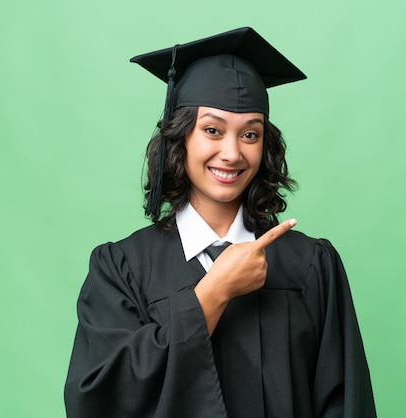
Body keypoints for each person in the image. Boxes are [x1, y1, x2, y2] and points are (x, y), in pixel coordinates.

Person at [64, 27, 377, 417]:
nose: (231, 153)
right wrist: (213, 292)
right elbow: (100, 400)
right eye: (212, 130)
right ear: (181, 138)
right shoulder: (123, 269)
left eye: (250, 134)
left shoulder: (309, 265)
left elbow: (346, 403)